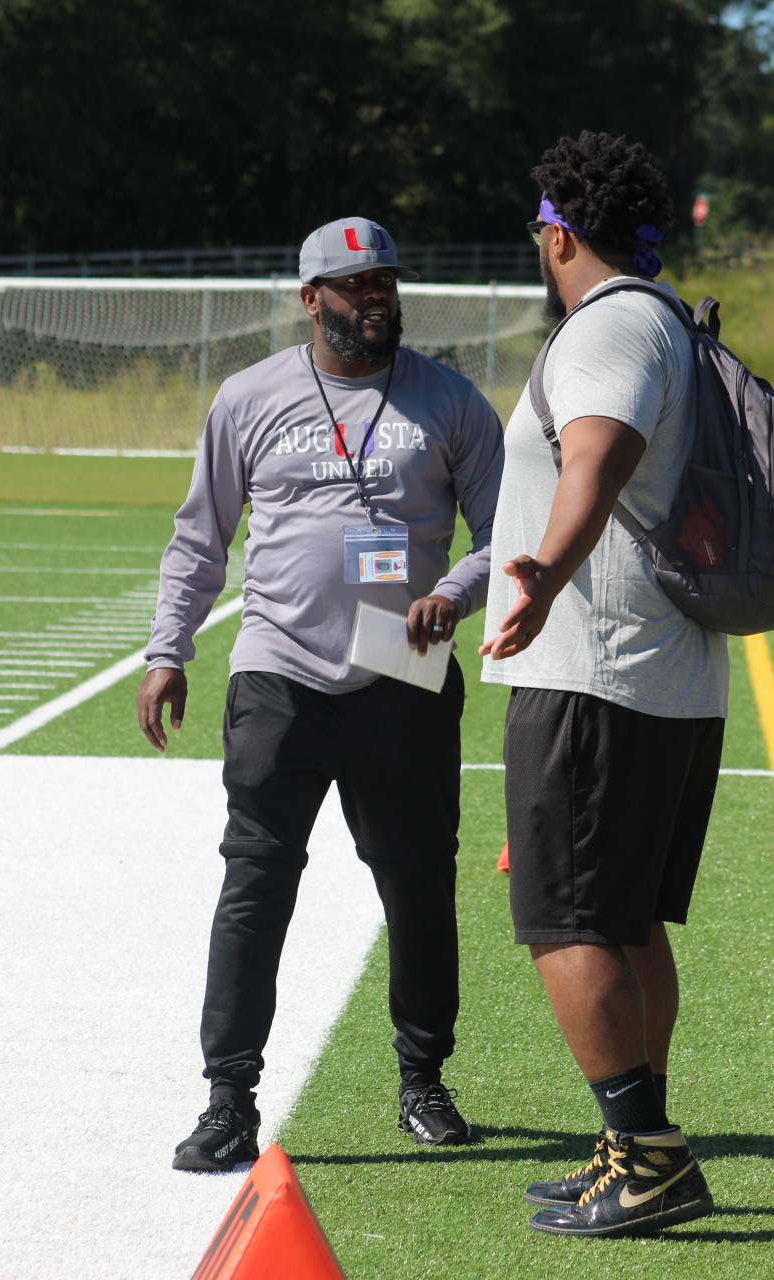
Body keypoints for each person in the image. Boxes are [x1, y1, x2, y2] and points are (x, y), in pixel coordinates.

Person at [138, 216, 504, 1171]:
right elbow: (199, 535)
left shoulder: (452, 402)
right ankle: (228, 1098)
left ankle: (422, 1079)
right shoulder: (249, 397)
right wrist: (165, 649)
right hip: (281, 665)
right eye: (354, 286)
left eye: (385, 282)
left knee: (418, 883)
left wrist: (454, 594)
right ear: (311, 299)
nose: (375, 298)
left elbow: (507, 537)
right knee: (255, 882)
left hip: (405, 670)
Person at [479, 131, 729, 1237]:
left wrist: (542, 572)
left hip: (596, 674)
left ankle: (651, 1155)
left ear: (556, 231)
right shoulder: (664, 316)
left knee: (565, 918)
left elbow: (597, 452)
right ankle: (634, 1146)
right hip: (660, 675)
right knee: (622, 920)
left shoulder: (609, 323)